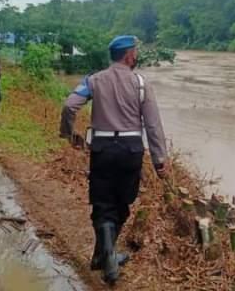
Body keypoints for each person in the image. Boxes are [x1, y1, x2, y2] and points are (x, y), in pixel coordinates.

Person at [60, 35, 169, 284]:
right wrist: (159, 160)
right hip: (131, 151)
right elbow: (153, 126)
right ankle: (109, 261)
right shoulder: (141, 84)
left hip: (103, 150)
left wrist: (69, 135)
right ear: (129, 55)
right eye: (135, 52)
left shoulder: (94, 80)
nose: (137, 56)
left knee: (102, 204)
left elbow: (69, 106)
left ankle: (103, 257)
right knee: (122, 205)